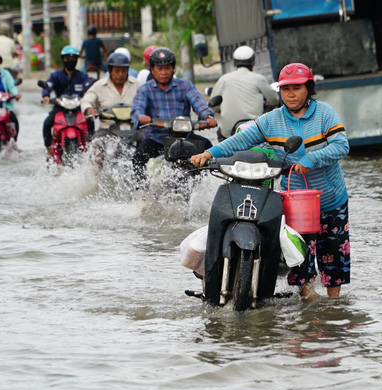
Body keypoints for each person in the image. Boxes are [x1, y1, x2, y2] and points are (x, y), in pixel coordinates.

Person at [191, 63, 350, 300]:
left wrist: (311, 159)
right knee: (300, 257)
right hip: (295, 202)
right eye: (286, 90)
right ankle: (310, 307)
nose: (291, 94)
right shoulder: (272, 120)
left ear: (309, 89)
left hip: (330, 199)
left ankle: (333, 308)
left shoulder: (325, 114)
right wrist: (210, 154)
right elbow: (241, 141)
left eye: (297, 88)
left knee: (333, 258)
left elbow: (341, 145)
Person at [130, 47, 216, 181]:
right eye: (159, 68)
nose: (163, 72)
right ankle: (141, 193)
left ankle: (204, 185)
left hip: (184, 137)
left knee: (208, 148)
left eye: (167, 68)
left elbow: (198, 102)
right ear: (152, 70)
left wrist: (207, 117)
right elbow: (137, 109)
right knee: (139, 157)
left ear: (173, 69)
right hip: (157, 139)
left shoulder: (185, 86)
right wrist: (142, 117)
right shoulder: (144, 90)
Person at [209, 45, 279, 141]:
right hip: (254, 129)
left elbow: (213, 106)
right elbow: (273, 100)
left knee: (220, 134)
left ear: (234, 64)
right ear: (253, 63)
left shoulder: (224, 79)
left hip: (229, 133)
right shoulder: (258, 78)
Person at [41, 45, 91, 158]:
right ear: (63, 59)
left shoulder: (82, 76)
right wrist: (46, 96)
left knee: (90, 121)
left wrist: (90, 97)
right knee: (47, 122)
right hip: (60, 106)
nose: (70, 61)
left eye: (73, 58)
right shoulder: (55, 75)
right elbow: (48, 86)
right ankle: (48, 148)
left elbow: (89, 88)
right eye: (67, 58)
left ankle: (91, 145)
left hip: (78, 107)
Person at [81, 52, 139, 132]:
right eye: (117, 71)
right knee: (96, 143)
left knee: (146, 142)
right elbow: (86, 100)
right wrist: (89, 109)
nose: (120, 74)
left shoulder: (136, 85)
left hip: (132, 129)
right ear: (109, 70)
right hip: (107, 129)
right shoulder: (99, 86)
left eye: (123, 71)